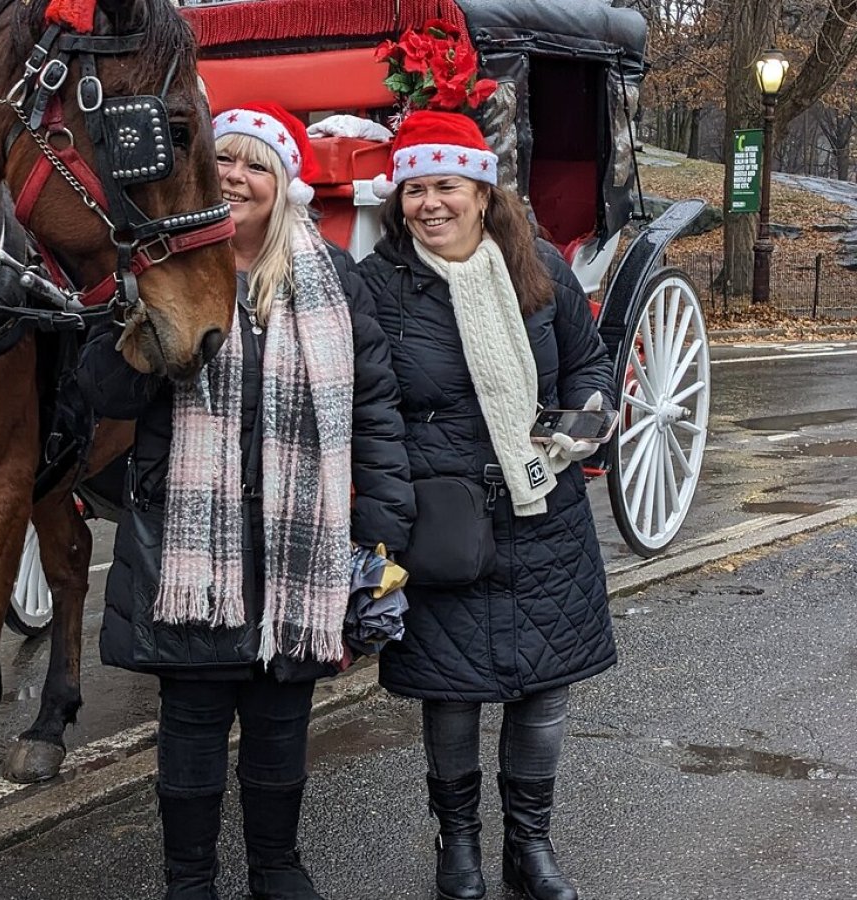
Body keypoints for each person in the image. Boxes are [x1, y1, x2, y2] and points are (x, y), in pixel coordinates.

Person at [77, 101, 414, 900]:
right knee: (191, 726)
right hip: (190, 545)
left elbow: (374, 406)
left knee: (280, 724)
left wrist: (382, 531)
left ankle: (277, 866)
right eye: (221, 162)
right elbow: (100, 389)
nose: (235, 177)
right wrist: (143, 335)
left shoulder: (331, 278)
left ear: (285, 184)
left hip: (297, 547)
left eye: (255, 165)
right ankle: (188, 878)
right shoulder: (157, 268)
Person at [358, 110, 617, 900]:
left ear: (480, 190)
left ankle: (530, 846)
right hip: (444, 519)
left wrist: (576, 431)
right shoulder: (380, 285)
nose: (429, 204)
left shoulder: (537, 267)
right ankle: (459, 847)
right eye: (414, 190)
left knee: (545, 690)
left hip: (545, 505)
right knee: (453, 693)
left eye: (445, 186)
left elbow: (588, 364)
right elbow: (371, 409)